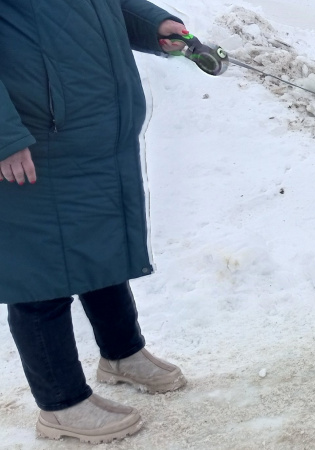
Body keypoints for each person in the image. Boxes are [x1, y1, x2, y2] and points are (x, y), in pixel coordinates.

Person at [1, 0, 191, 443]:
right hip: (33, 137)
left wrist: (154, 25)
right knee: (40, 273)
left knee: (98, 244)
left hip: (92, 130)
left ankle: (122, 353)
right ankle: (61, 404)